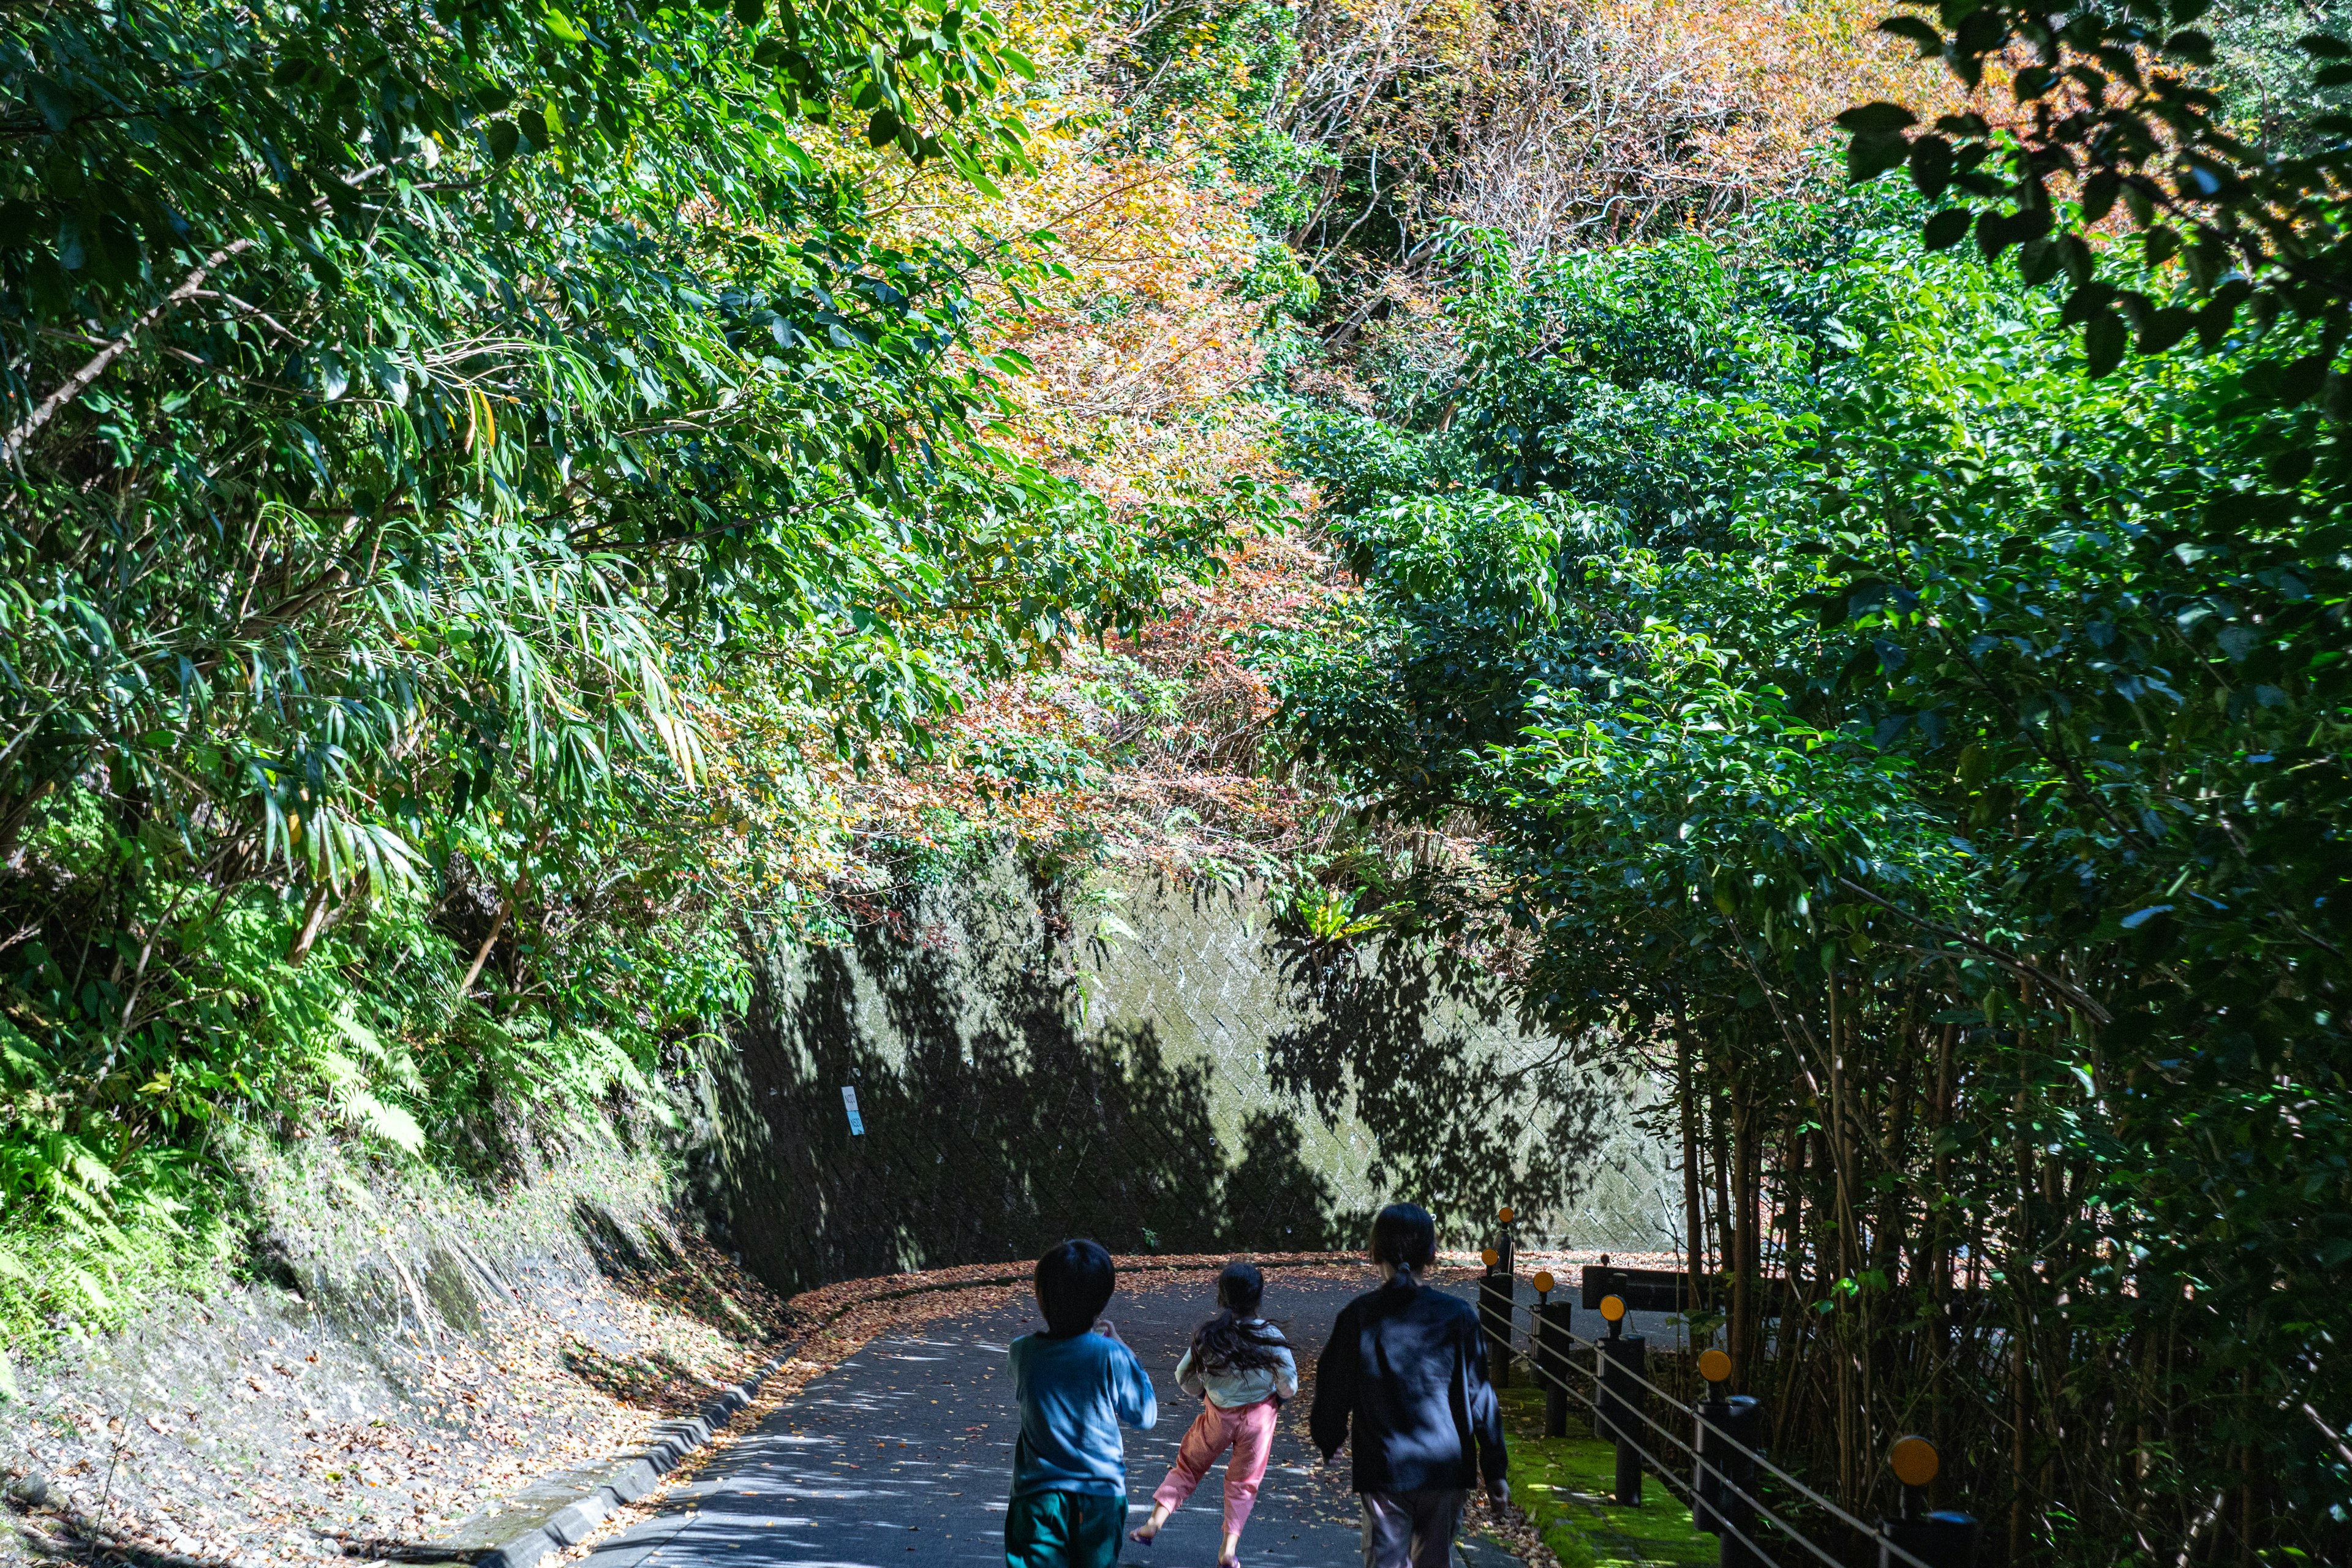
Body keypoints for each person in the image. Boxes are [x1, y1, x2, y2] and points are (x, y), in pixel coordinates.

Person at [1310, 1203, 1509, 1568]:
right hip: (1446, 1466)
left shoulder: (1359, 1316)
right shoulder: (1459, 1316)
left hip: (1384, 1466)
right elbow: (1481, 1398)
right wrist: (1496, 1471)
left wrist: (1329, 1437)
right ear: (1432, 1254)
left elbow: (1333, 1385)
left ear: (1374, 1253)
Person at [1128, 1261, 1299, 1566]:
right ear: (1259, 1298)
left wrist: (1203, 1391)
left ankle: (1154, 1523)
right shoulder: (1270, 1335)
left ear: (1221, 1297)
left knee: (1188, 1467)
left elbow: (1184, 1376)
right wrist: (1277, 1397)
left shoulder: (1210, 1336)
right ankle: (1228, 1550)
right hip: (1259, 1422)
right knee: (1244, 1483)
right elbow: (1289, 1384)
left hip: (1218, 1417)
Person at [1006, 1240, 1159, 1568]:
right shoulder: (1112, 1356)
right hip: (1101, 1497)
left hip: (1037, 1497)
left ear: (1041, 1296)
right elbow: (1145, 1416)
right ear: (1101, 1301)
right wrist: (1128, 1355)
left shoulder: (1021, 1354)